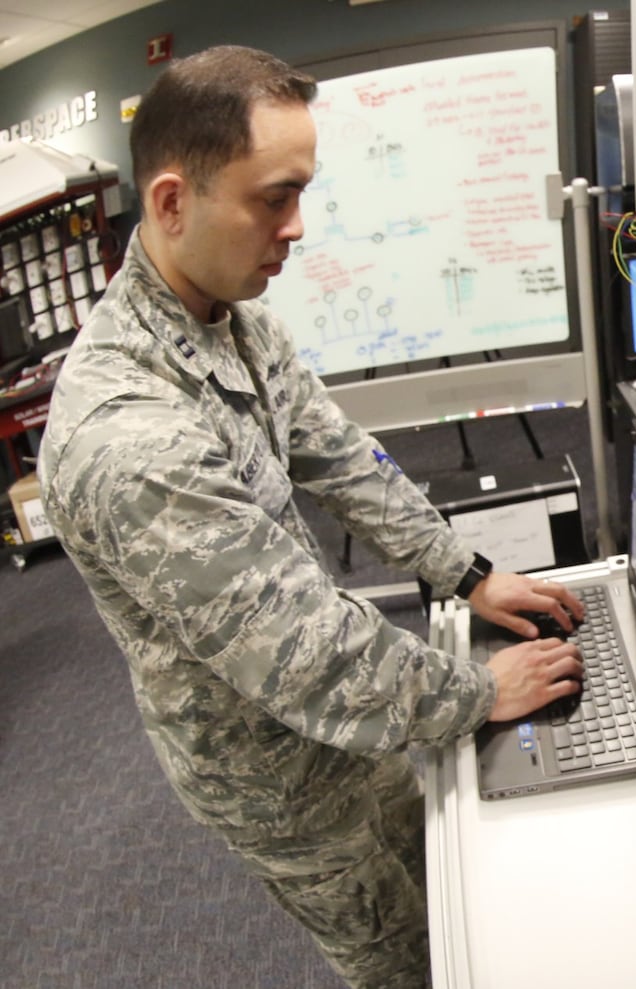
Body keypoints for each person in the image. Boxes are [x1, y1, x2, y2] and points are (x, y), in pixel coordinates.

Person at [38, 46, 585, 989]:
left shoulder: (226, 311)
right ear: (173, 203)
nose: (297, 228)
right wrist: (473, 691)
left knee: (449, 889)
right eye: (273, 198)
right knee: (409, 958)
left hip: (344, 714)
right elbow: (299, 646)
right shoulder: (124, 435)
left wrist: (465, 571)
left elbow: (337, 453)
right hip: (276, 773)